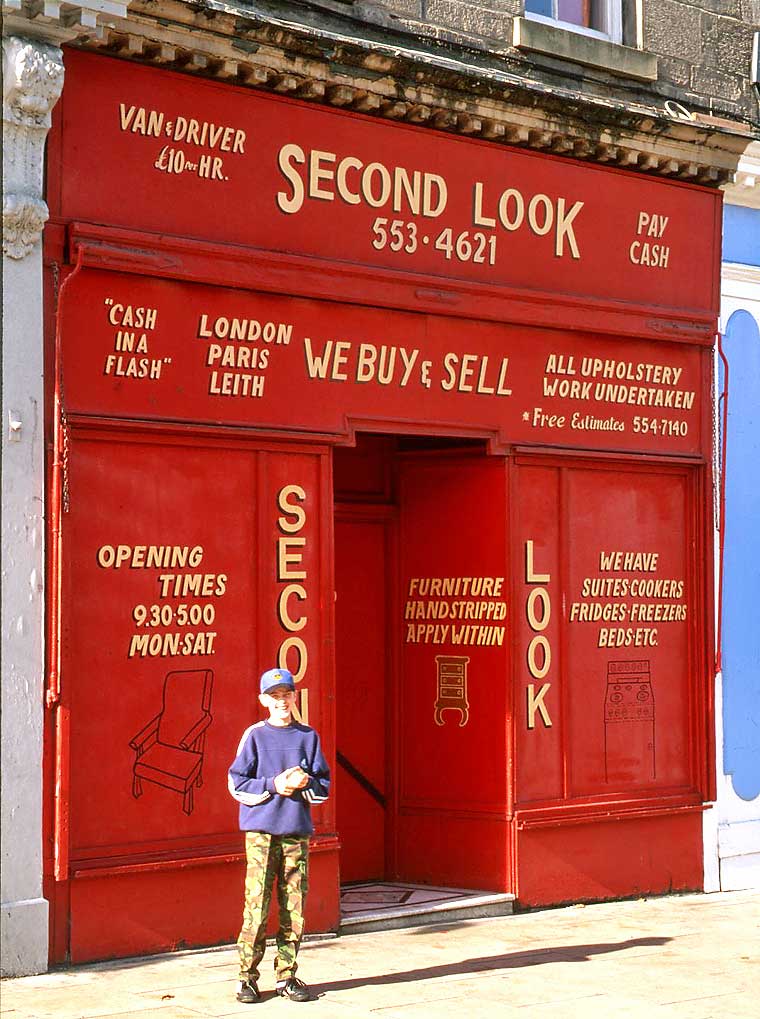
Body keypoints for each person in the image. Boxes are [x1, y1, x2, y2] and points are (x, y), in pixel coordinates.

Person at [228, 667, 330, 1004]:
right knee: (256, 907)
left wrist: (305, 785)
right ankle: (247, 977)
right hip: (260, 833)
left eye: (287, 694)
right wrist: (275, 784)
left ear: (295, 697)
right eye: (274, 696)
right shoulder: (255, 736)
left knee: (294, 906)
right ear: (263, 700)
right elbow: (236, 783)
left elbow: (323, 786)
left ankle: (287, 975)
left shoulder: (308, 737)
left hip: (295, 833)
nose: (281, 701)